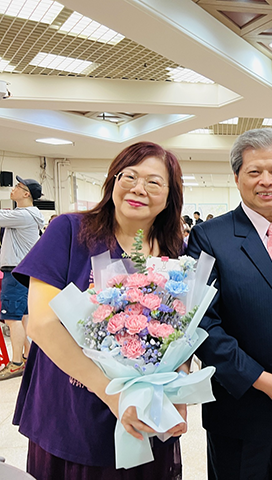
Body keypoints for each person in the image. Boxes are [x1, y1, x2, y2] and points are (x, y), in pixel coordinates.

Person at [12, 142, 187, 479]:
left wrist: (177, 390)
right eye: (130, 176)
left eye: (153, 182)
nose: (139, 188)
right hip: (71, 407)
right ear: (113, 180)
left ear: (170, 196)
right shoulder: (70, 230)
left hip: (145, 411)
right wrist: (112, 394)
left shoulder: (175, 250)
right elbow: (42, 324)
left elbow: (180, 331)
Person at [186, 128, 272, 480]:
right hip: (241, 407)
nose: (266, 181)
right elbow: (202, 324)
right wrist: (263, 380)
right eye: (254, 172)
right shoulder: (209, 237)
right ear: (236, 178)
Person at [0, 176, 44, 380]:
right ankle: (28, 358)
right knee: (23, 317)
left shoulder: (24, 215)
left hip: (15, 271)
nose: (13, 188)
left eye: (18, 186)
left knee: (12, 318)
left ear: (27, 194)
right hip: (22, 271)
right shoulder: (27, 215)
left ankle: (16, 363)